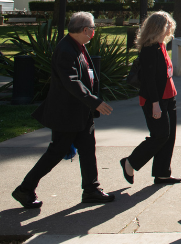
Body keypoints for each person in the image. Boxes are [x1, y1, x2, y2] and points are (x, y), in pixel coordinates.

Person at [12, 12, 114, 208]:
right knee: (56, 152)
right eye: (93, 28)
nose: (94, 32)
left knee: (87, 150)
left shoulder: (78, 47)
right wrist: (93, 101)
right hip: (67, 113)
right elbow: (71, 82)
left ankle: (91, 189)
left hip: (81, 113)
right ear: (85, 29)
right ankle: (25, 189)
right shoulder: (66, 50)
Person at [120, 11, 181, 186]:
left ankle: (162, 173)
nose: (170, 28)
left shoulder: (161, 45)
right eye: (168, 25)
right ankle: (130, 162)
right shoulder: (149, 49)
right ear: (158, 27)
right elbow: (148, 80)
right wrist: (155, 104)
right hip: (155, 99)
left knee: (169, 136)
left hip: (170, 96)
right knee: (160, 135)